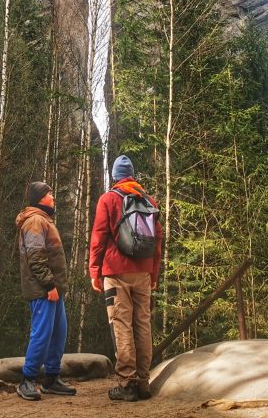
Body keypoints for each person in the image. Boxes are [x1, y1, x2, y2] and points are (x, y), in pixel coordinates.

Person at [88, 155, 162, 402]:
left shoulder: (109, 199)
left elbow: (98, 237)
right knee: (142, 323)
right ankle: (143, 382)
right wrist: (154, 273)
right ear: (132, 175)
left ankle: (127, 382)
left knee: (121, 324)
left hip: (116, 272)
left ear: (114, 176)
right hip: (143, 271)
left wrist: (94, 271)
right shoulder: (148, 201)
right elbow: (158, 241)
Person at [15, 181, 77, 400]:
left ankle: (51, 379)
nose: (53, 196)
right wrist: (49, 285)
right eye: (50, 193)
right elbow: (35, 257)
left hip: (53, 290)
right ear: (40, 198)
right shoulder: (34, 221)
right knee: (41, 334)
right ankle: (27, 380)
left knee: (59, 333)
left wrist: (56, 287)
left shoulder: (44, 220)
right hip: (43, 289)